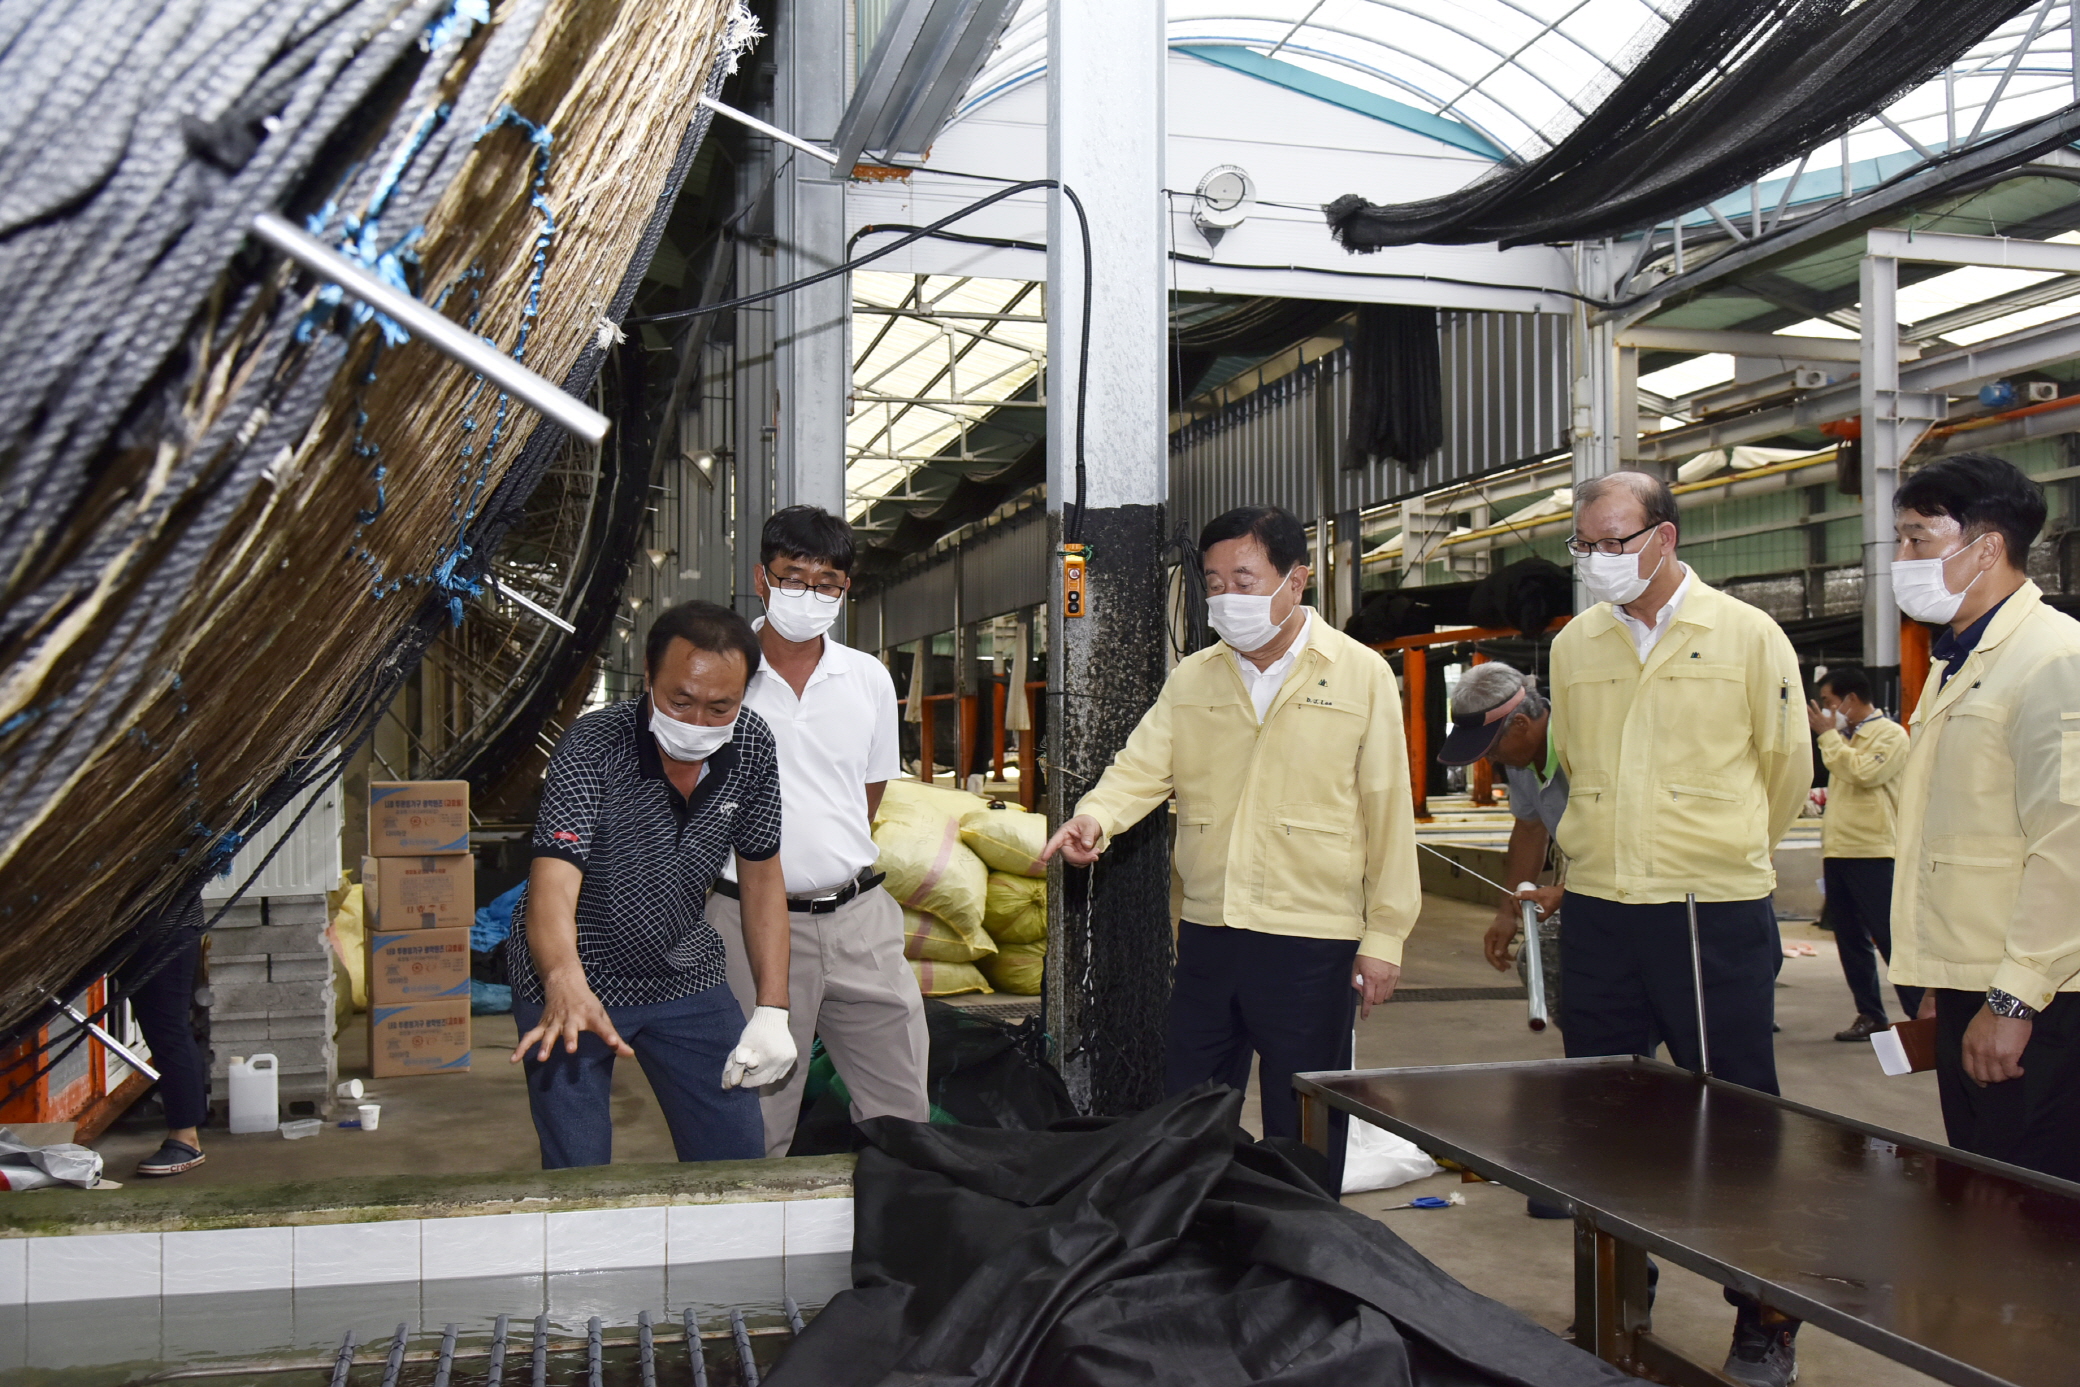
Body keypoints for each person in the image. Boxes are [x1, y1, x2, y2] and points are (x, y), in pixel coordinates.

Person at [1041, 504, 1420, 1194]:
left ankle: (1302, 1258)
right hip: (1213, 932)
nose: (1225, 598)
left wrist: (1385, 933)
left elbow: (1388, 808)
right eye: (1212, 583)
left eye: (1243, 579)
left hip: (1312, 938)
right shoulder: (1195, 677)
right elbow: (1141, 766)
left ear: (1295, 580)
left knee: (1303, 1119)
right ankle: (1196, 1247)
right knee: (1190, 1106)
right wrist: (1095, 816)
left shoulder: (1361, 675)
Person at [1550, 470, 1811, 1387]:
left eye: (1615, 542)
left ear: (1664, 536)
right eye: (1585, 544)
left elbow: (1783, 771)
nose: (1598, 561)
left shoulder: (1744, 635)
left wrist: (1717, 854)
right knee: (1601, 1118)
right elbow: (1576, 768)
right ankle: (1619, 1299)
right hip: (1601, 909)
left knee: (1737, 1120)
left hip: (1708, 911)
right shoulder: (1576, 644)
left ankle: (1766, 1320)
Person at [504, 600, 796, 1169]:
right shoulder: (593, 746)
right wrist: (563, 978)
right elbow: (553, 881)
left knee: (735, 1157)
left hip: (683, 970)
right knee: (579, 1171)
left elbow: (762, 877)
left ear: (745, 696)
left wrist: (774, 1009)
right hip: (574, 981)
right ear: (647, 675)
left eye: (720, 707)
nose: (696, 723)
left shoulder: (753, 747)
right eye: (679, 700)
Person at [1886, 452, 2080, 1183]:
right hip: (1980, 979)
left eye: (1916, 539)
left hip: (2045, 995)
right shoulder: (1957, 660)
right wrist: (1944, 973)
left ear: (1987, 547)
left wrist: (2012, 997)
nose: (1902, 558)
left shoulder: (2052, 660)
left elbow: (2069, 846)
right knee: (1981, 1196)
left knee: (2028, 1214)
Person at [712, 506, 927, 1156]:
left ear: (845, 589)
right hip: (747, 922)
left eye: (826, 583)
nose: (809, 595)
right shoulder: (722, 677)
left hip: (859, 919)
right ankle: (747, 1252)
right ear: (762, 578)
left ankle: (895, 1242)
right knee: (753, 1122)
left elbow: (867, 794)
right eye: (793, 577)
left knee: (902, 1108)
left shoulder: (865, 678)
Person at [1805, 665, 1915, 1041]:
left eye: (1829, 702)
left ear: (1851, 700)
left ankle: (1922, 1016)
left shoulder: (1890, 735)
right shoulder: (1843, 737)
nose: (1825, 711)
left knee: (1889, 938)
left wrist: (1828, 738)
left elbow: (1864, 774)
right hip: (1840, 851)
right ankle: (1870, 1014)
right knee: (1849, 939)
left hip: (1874, 852)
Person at [1436, 663, 1566, 976]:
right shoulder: (1521, 760)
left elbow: (1629, 836)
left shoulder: (1585, 747)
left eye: (1492, 748)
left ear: (1521, 724)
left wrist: (1566, 894)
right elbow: (1529, 828)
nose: (1489, 759)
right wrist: (1508, 911)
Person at [119, 886, 210, 1177]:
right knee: (165, 1029)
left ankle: (186, 1139)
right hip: (128, 925)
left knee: (168, 1030)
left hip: (165, 923)